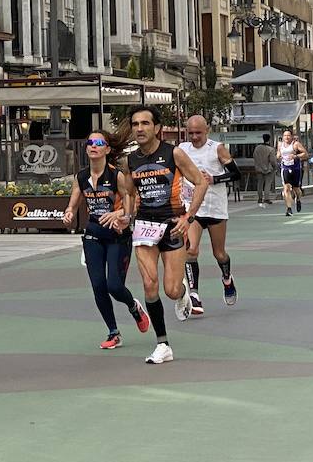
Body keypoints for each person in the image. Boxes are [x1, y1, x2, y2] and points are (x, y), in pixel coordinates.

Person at [121, 106, 209, 365]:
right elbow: (129, 191)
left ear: (157, 128)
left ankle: (182, 292)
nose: (139, 128)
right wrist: (126, 215)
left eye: (145, 123)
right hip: (145, 227)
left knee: (170, 290)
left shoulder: (174, 153)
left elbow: (200, 182)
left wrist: (188, 217)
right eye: (135, 124)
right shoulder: (131, 160)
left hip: (172, 224)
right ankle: (163, 344)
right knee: (149, 285)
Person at [61, 130, 149, 349]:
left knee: (115, 286)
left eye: (98, 142)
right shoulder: (81, 177)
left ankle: (133, 306)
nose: (93, 145)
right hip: (93, 235)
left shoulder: (116, 175)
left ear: (107, 150)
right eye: (90, 142)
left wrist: (120, 215)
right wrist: (69, 213)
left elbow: (131, 202)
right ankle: (113, 332)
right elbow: (72, 204)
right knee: (98, 286)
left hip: (117, 237)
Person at [178, 115, 242, 313]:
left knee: (219, 253)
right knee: (191, 250)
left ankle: (227, 279)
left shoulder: (217, 148)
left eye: (199, 132)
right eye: (191, 133)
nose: (195, 136)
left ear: (207, 130)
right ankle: (194, 295)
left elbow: (236, 173)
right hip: (193, 208)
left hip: (215, 208)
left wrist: (215, 178)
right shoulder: (182, 150)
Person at [277, 129, 305, 216]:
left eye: (288, 135)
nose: (286, 137)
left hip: (295, 168)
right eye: (285, 135)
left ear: (291, 136)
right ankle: (289, 208)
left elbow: (305, 154)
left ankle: (298, 199)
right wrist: (278, 156)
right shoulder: (280, 144)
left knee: (296, 189)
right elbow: (278, 154)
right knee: (286, 188)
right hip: (285, 168)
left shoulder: (296, 144)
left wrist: (295, 156)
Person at [252, 134, 276, 208]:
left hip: (259, 168)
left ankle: (259, 198)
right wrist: (275, 167)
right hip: (268, 169)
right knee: (267, 184)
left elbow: (254, 157)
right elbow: (272, 160)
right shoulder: (270, 149)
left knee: (260, 183)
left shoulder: (257, 148)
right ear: (269, 139)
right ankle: (266, 198)